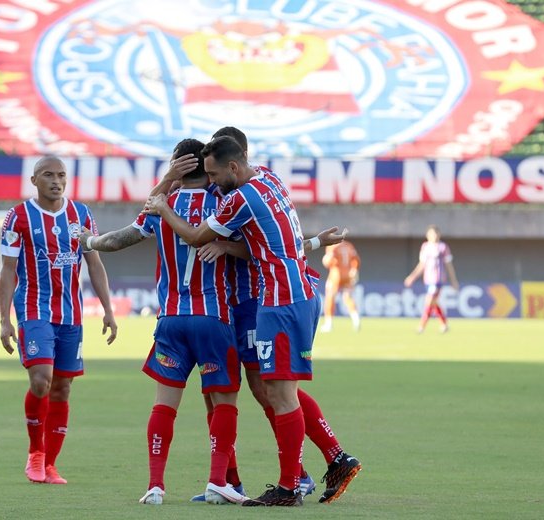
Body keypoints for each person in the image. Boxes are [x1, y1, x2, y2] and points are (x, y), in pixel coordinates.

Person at [144, 136, 361, 507]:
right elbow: (279, 239)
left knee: (269, 391)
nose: (211, 182)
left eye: (215, 174)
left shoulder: (235, 199)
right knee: (264, 391)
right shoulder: (268, 179)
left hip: (262, 301)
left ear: (232, 164)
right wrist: (312, 242)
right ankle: (258, 478)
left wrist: (166, 203)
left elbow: (197, 235)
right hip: (283, 295)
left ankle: (298, 478)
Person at [79, 139, 246, 505]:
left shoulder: (160, 206)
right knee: (225, 401)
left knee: (164, 404)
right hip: (213, 318)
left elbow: (118, 240)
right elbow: (255, 245)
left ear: (177, 166)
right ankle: (218, 481)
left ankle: (155, 485)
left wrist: (87, 240)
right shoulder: (225, 203)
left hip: (171, 318)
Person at [0, 156, 118, 486]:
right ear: (34, 180)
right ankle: (35, 453)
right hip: (34, 310)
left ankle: (50, 464)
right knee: (41, 380)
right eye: (48, 175)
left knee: (63, 388)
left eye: (61, 175)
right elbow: (8, 270)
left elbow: (94, 264)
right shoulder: (18, 217)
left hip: (71, 315)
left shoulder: (82, 215)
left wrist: (107, 308)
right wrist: (4, 320)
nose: (56, 180)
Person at [404, 225, 459, 333]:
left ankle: (422, 326)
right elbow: (421, 265)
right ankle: (444, 323)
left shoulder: (443, 247)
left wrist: (453, 280)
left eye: (436, 233)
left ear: (439, 235)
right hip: (428, 280)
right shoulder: (425, 247)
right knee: (433, 303)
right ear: (427, 235)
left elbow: (449, 265)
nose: (434, 236)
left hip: (438, 280)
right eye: (432, 233)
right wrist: (412, 277)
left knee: (429, 301)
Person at [321, 240, 361, 333]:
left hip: (336, 274)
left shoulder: (332, 246)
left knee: (330, 297)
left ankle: (329, 324)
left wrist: (326, 261)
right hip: (348, 274)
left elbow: (328, 261)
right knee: (348, 297)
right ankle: (356, 320)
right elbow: (356, 259)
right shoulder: (348, 245)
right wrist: (354, 269)